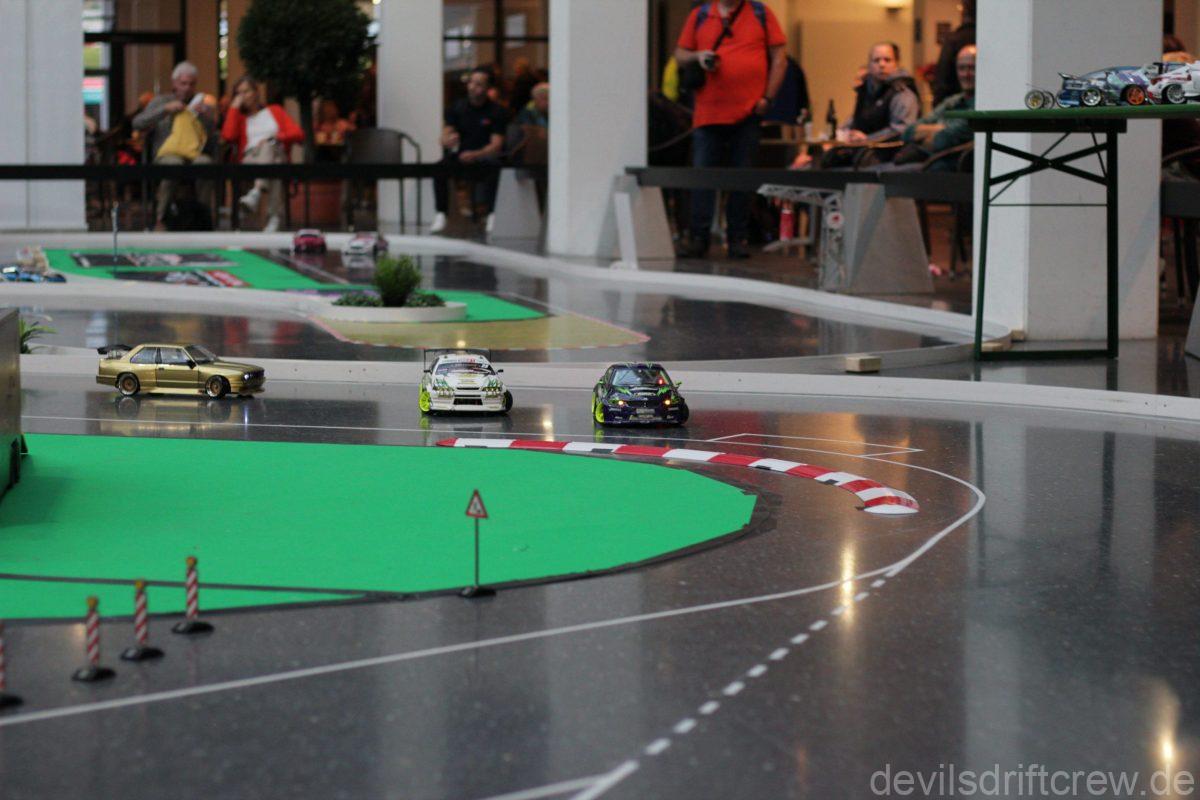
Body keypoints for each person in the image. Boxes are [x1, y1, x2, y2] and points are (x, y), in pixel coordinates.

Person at [675, 0, 788, 259]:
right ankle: (699, 237)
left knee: (741, 178)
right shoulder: (701, 15)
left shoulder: (760, 13)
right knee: (703, 178)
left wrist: (768, 98)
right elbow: (680, 53)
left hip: (748, 113)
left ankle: (737, 237)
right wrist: (698, 56)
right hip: (708, 114)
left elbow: (779, 57)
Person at [132, 61, 217, 230]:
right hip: (166, 153)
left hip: (194, 153)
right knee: (174, 165)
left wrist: (206, 117)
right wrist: (165, 110)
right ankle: (161, 218)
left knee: (206, 164)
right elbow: (138, 123)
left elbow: (212, 136)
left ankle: (203, 218)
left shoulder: (201, 105)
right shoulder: (161, 101)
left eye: (191, 84)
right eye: (183, 83)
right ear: (174, 83)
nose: (187, 88)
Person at [221, 76, 304, 232]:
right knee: (275, 165)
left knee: (271, 150)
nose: (243, 96)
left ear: (256, 92)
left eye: (246, 91)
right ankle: (274, 217)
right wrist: (233, 108)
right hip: (250, 158)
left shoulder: (275, 111)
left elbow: (298, 134)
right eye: (239, 93)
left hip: (275, 152)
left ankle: (256, 192)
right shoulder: (240, 117)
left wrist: (276, 137)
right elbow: (228, 136)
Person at [432, 67, 508, 234]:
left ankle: (491, 214)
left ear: (488, 88)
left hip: (485, 157)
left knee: (495, 169)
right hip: (462, 156)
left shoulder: (497, 111)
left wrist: (476, 154)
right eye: (471, 82)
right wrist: (446, 139)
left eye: (478, 84)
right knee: (440, 167)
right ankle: (441, 213)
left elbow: (496, 144)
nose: (473, 87)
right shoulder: (457, 107)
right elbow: (446, 133)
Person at [821, 43, 919, 168]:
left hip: (889, 154)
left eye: (887, 60)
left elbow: (901, 130)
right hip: (861, 149)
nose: (881, 64)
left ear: (897, 64)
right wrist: (841, 134)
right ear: (869, 65)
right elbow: (856, 119)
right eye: (876, 60)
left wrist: (867, 139)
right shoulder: (866, 90)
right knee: (826, 159)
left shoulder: (902, 93)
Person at [887, 44, 976, 170]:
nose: (966, 74)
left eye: (972, 68)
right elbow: (908, 132)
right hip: (926, 162)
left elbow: (942, 140)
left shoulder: (982, 105)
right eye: (961, 68)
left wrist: (929, 133)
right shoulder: (953, 101)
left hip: (952, 167)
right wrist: (939, 129)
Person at [931, 0, 976, 106]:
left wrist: (939, 106)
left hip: (956, 106)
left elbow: (942, 82)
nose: (967, 74)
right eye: (962, 68)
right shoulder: (989, 40)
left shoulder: (952, 41)